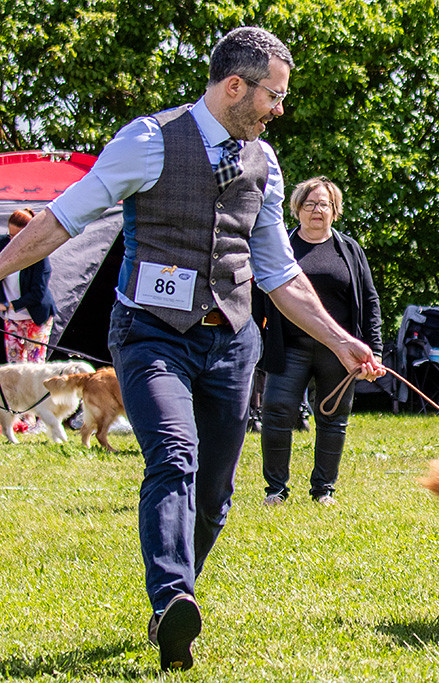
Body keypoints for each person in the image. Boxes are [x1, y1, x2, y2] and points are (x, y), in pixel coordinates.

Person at [0, 27, 385, 672]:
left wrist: (343, 341)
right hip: (151, 334)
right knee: (173, 456)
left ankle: (177, 592)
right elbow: (65, 218)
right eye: (274, 95)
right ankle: (173, 599)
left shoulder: (264, 163)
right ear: (235, 86)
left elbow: (279, 273)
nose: (279, 109)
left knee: (214, 493)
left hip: (232, 342)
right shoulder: (148, 140)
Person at [260, 176, 383, 507]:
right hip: (289, 348)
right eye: (310, 204)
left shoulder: (350, 250)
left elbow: (370, 302)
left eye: (324, 204)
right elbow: (260, 297)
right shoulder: (281, 248)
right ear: (297, 209)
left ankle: (323, 490)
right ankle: (276, 489)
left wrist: (376, 351)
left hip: (338, 352)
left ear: (335, 211)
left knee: (333, 418)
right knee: (276, 412)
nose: (317, 210)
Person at [0, 209, 56, 363]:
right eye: (10, 235)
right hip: (11, 319)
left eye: (17, 237)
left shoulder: (39, 255)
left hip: (35, 317)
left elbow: (37, 293)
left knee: (34, 366)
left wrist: (7, 305)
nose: (13, 241)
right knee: (14, 367)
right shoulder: (2, 245)